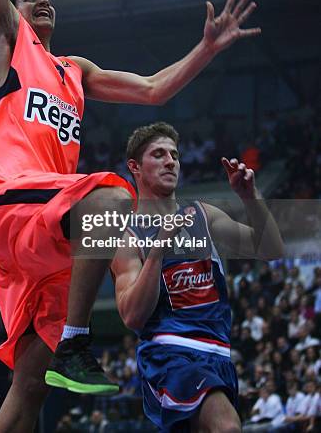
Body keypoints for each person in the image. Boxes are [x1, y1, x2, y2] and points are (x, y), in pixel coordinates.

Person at [0, 0, 260, 432]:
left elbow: (154, 89)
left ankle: (63, 345)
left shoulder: (76, 71)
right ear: (10, 10)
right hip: (5, 197)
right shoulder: (6, 41)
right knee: (110, 197)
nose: (41, 2)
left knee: (30, 380)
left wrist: (204, 49)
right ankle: (80, 337)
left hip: (45, 226)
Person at [111, 122, 284, 432]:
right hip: (170, 354)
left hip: (218, 353)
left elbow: (271, 249)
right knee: (227, 427)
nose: (170, 162)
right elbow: (132, 316)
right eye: (159, 154)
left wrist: (250, 197)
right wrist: (158, 250)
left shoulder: (203, 214)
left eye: (175, 155)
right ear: (135, 167)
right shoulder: (129, 238)